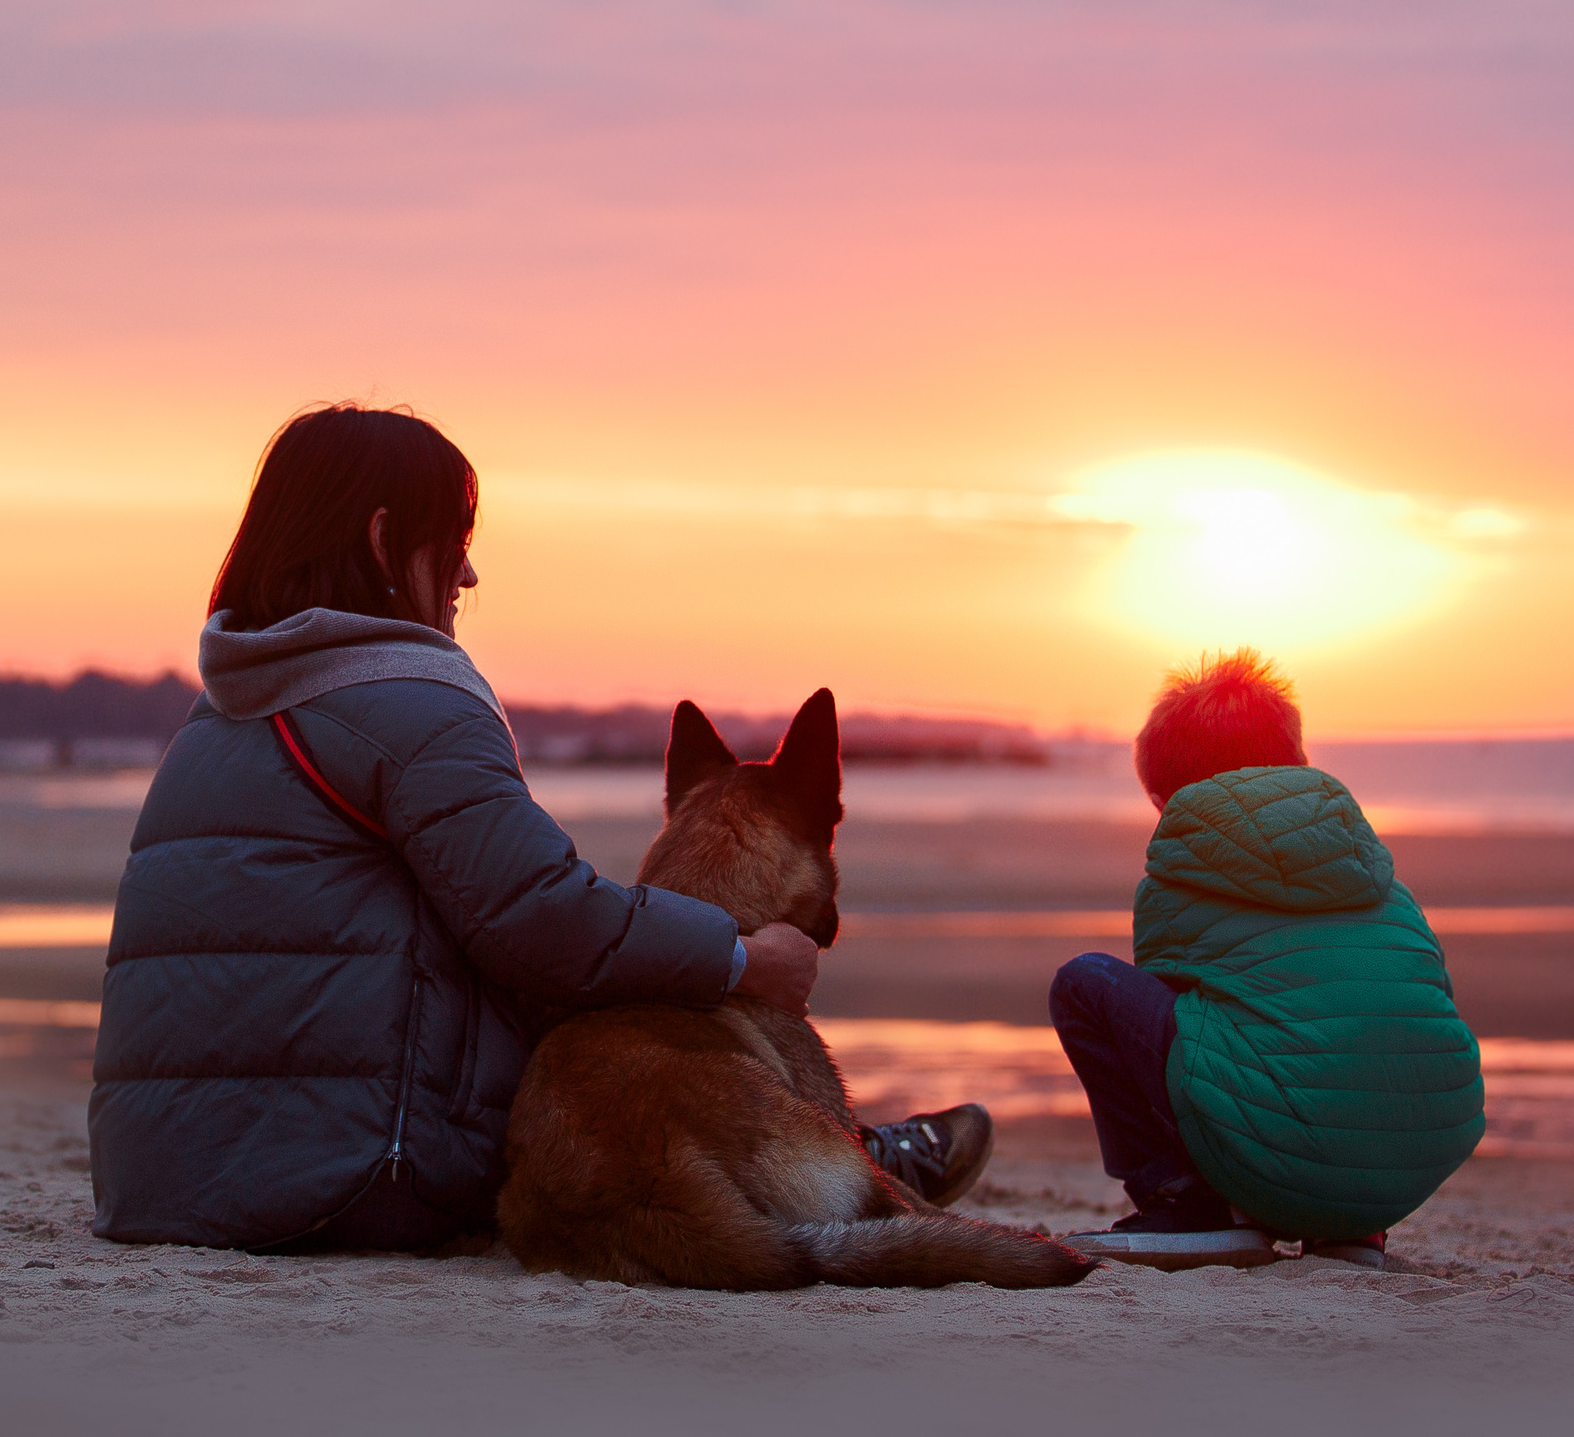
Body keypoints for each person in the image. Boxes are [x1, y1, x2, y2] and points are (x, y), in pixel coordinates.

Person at [89, 403, 985, 1253]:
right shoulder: (411, 702)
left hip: (159, 1182)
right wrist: (740, 957)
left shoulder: (214, 723)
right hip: (351, 1180)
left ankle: (839, 1144)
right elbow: (547, 923)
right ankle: (844, 1154)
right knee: (603, 998)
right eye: (458, 544)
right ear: (382, 540)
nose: (469, 576)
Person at [1053, 649, 1484, 1270]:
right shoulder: (1375, 869)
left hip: (1285, 1153)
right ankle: (1356, 1233)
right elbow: (1422, 985)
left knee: (1086, 984)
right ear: (1297, 761)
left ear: (1170, 798)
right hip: (1414, 1161)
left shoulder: (1181, 869)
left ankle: (1183, 1203)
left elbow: (1180, 1032)